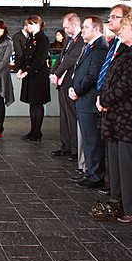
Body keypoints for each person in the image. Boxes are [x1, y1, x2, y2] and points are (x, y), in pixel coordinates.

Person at [97, 12, 132, 223]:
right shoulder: (127, 50)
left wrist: (104, 99)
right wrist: (103, 97)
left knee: (130, 166)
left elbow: (125, 86)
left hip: (130, 118)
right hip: (117, 117)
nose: (120, 31)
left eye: (125, 27)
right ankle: (119, 202)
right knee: (118, 165)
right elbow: (112, 77)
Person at [69, 16, 109, 188]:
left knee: (93, 141)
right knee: (87, 140)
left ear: (96, 29)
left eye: (85, 27)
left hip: (90, 101)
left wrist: (77, 90)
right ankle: (89, 172)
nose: (82, 30)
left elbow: (93, 75)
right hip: (83, 100)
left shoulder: (100, 48)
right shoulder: (90, 46)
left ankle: (95, 176)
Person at [50, 14, 84, 160]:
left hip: (70, 82)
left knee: (72, 116)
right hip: (62, 83)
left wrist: (56, 73)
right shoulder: (70, 40)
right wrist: (53, 72)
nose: (65, 29)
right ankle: (66, 146)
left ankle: (75, 150)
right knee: (64, 116)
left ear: (75, 25)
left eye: (66, 26)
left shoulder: (81, 40)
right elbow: (61, 57)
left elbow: (70, 60)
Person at [17, 15, 50, 141]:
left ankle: (37, 131)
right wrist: (20, 68)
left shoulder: (43, 39)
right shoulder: (30, 38)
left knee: (38, 103)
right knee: (32, 103)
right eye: (28, 24)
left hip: (38, 76)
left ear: (38, 25)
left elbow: (39, 60)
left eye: (31, 24)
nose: (29, 26)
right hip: (30, 75)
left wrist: (26, 72)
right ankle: (32, 130)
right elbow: (25, 56)